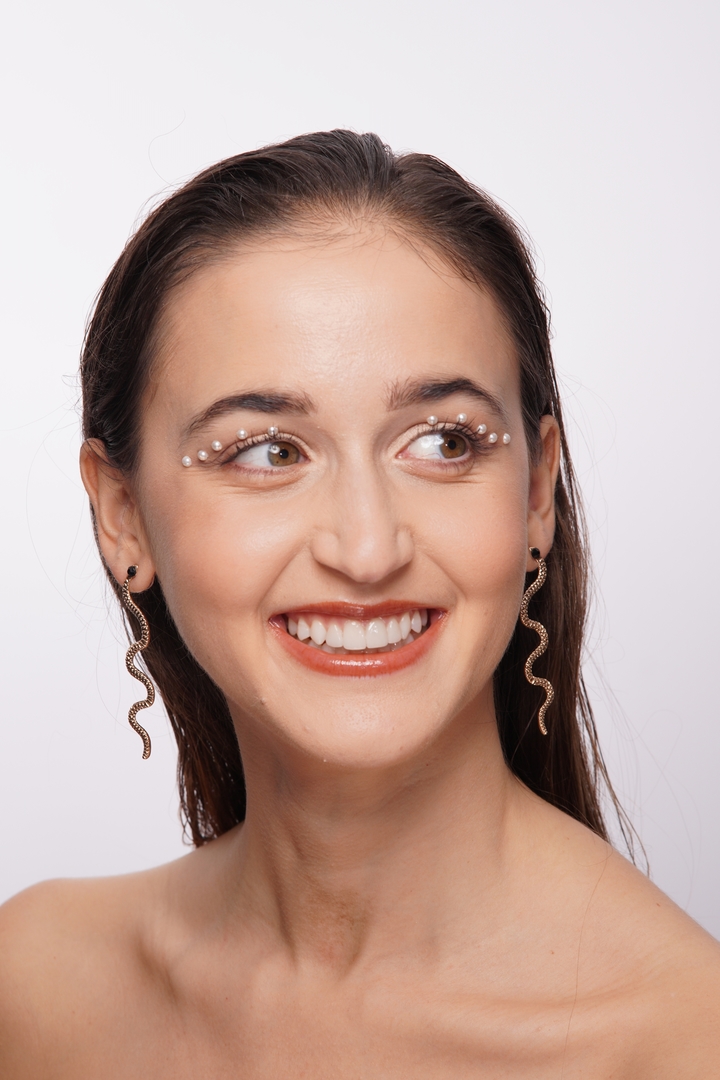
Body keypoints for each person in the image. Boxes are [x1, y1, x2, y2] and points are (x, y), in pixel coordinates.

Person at [1, 130, 718, 1077]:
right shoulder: (36, 987)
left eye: (444, 443)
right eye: (267, 452)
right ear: (122, 517)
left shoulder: (681, 1041)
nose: (368, 549)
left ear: (537, 493)